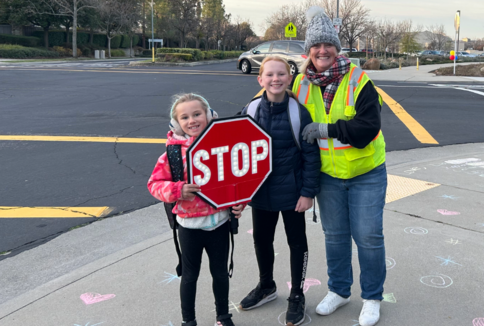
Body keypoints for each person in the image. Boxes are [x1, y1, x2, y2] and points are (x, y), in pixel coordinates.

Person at [291, 6, 388, 326]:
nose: (322, 50)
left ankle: (372, 297)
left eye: (328, 45)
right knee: (334, 236)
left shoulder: (360, 80)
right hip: (328, 175)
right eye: (316, 46)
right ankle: (340, 290)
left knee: (368, 236)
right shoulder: (300, 83)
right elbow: (277, 116)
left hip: (365, 172)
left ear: (337, 48)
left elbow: (367, 129)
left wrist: (326, 130)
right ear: (308, 51)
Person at [147, 93, 244, 326]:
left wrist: (240, 202)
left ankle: (223, 316)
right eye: (185, 117)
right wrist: (177, 190)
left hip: (220, 222)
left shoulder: (224, 145)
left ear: (210, 116)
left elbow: (239, 178)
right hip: (189, 225)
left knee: (220, 273)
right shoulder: (172, 155)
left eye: (197, 114)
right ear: (176, 123)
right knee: (190, 276)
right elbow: (154, 184)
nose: (192, 120)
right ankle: (188, 321)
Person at [238, 56, 321, 326]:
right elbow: (235, 152)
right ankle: (266, 286)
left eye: (281, 74)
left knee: (296, 242)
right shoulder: (250, 109)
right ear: (260, 79)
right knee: (262, 240)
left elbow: (311, 155)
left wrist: (308, 192)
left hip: (293, 192)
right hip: (260, 193)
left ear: (290, 78)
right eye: (269, 75)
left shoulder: (299, 112)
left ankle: (297, 294)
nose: (275, 79)